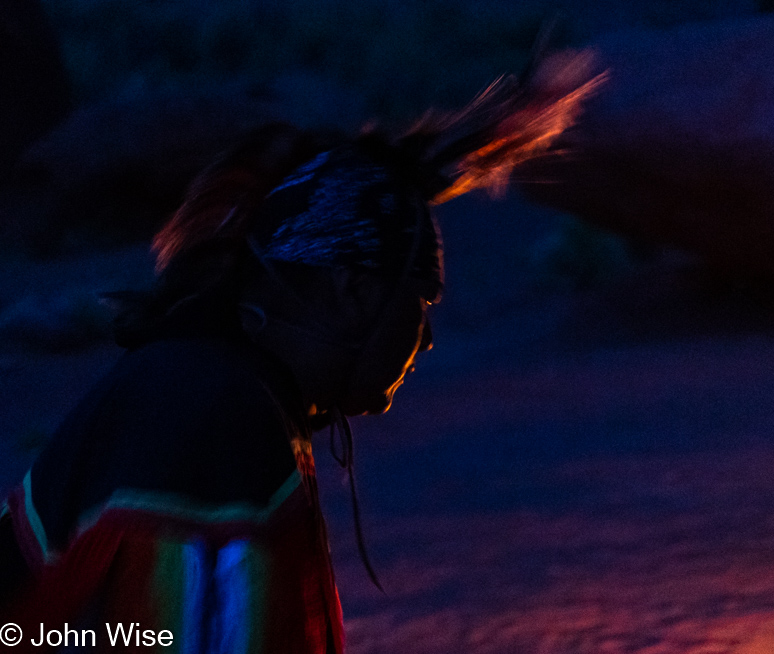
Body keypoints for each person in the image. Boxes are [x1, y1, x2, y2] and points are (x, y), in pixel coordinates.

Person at [0, 50, 604, 653]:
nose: (425, 338)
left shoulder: (217, 384)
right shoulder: (218, 410)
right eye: (420, 306)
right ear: (352, 289)